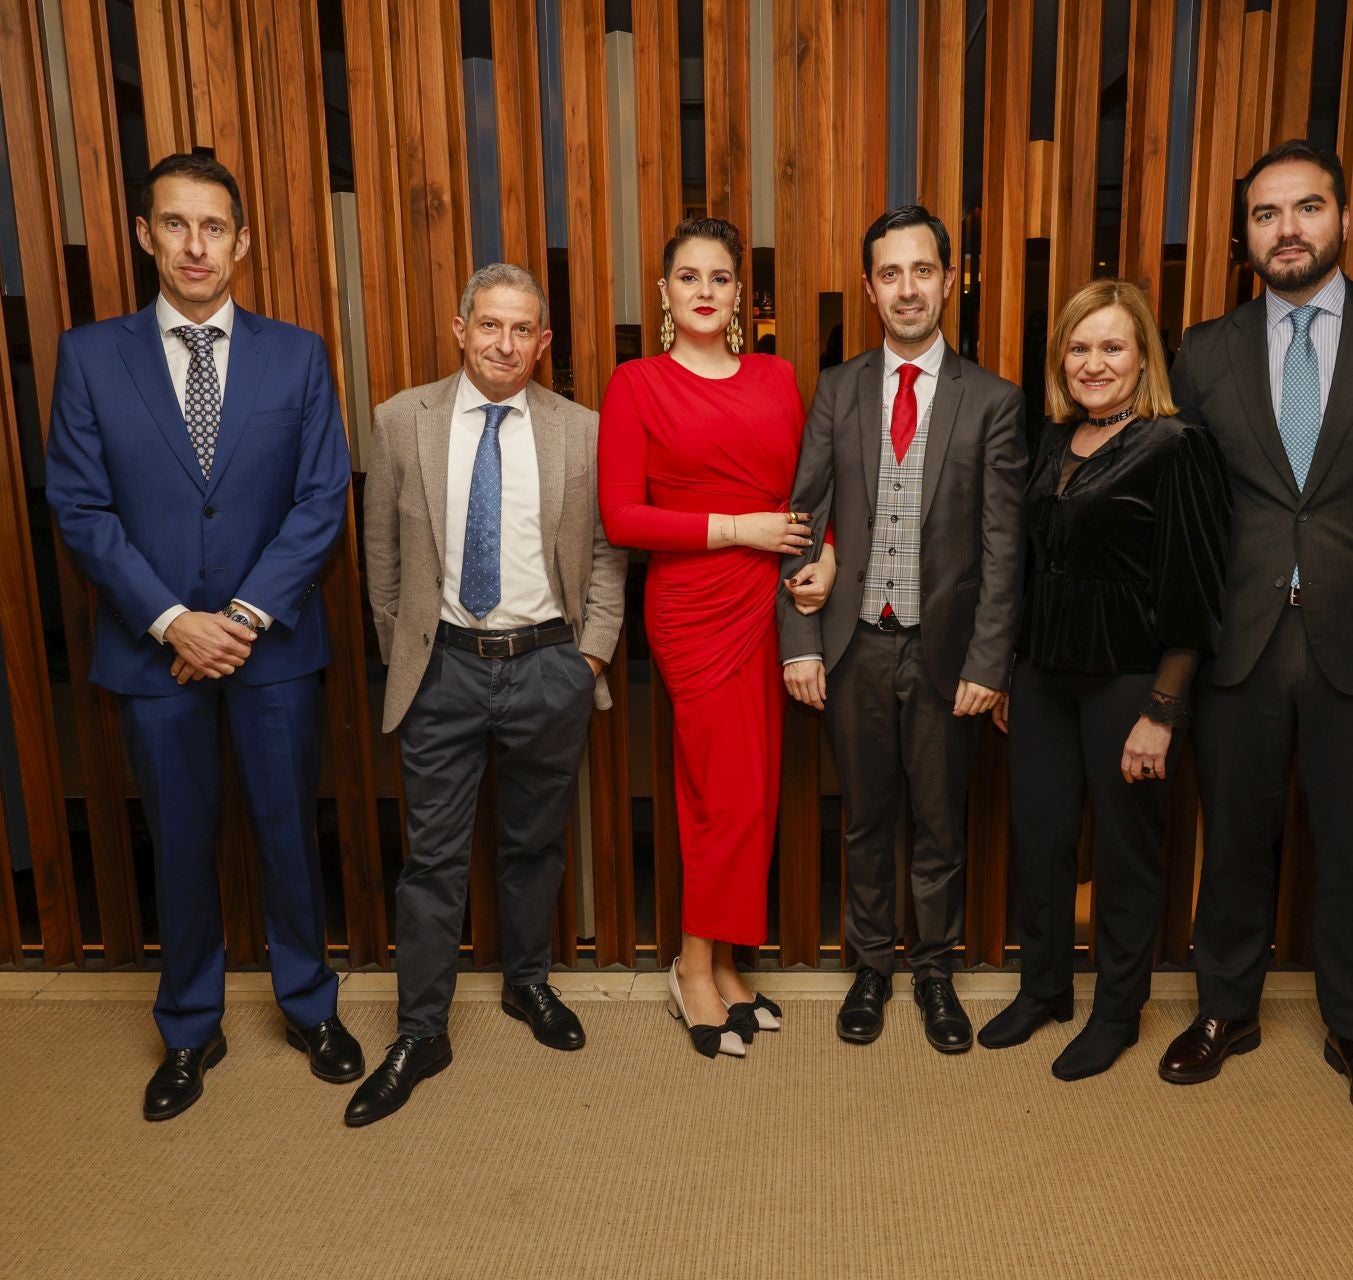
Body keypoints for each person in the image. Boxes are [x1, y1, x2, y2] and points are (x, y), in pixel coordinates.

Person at [1159, 140, 1353, 1129]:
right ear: (1242, 234)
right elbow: (1192, 500)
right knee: (1237, 834)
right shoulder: (1205, 351)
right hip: (1241, 639)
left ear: (1341, 217)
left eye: (1305, 208)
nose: (1286, 228)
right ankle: (1225, 1009)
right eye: (1265, 214)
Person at [45, 153, 361, 1121]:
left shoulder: (297, 353)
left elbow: (321, 497)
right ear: (145, 235)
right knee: (179, 841)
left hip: (272, 645)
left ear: (242, 241)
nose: (195, 244)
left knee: (285, 833)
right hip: (153, 649)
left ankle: (309, 1004)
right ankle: (189, 1025)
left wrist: (242, 617)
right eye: (175, 224)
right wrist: (175, 618)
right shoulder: (91, 356)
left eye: (214, 226)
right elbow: (80, 503)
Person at [346, 265, 626, 1126]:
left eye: (524, 331)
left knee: (534, 845)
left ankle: (527, 986)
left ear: (544, 343)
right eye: (490, 326)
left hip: (549, 666)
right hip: (444, 670)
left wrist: (588, 659)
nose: (505, 345)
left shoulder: (583, 431)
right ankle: (421, 1030)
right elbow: (381, 558)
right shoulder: (402, 422)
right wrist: (413, 656)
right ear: (460, 326)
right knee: (431, 859)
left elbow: (609, 554)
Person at [780, 205, 1028, 1054]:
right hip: (853, 645)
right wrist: (800, 641)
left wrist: (990, 660)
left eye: (923, 270)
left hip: (945, 652)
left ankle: (932, 971)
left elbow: (1004, 548)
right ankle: (871, 967)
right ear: (869, 288)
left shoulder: (994, 401)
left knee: (940, 823)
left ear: (950, 281)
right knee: (863, 819)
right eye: (891, 274)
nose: (908, 288)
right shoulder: (840, 388)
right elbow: (802, 518)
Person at [978, 280, 1228, 1080]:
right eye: (1080, 347)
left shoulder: (1174, 445)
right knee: (1042, 840)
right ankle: (1045, 989)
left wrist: (1163, 709)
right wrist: (1014, 667)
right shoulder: (1055, 440)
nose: (1094, 363)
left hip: (1129, 684)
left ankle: (1117, 1011)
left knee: (1125, 852)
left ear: (1143, 355)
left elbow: (1195, 590)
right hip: (1044, 679)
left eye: (1113, 346)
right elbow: (1035, 568)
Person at [599, 217, 819, 1059]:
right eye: (687, 276)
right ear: (664, 293)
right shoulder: (637, 384)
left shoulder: (775, 376)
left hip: (770, 602)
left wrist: (821, 558)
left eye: (720, 278)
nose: (703, 290)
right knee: (717, 792)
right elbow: (623, 517)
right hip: (693, 607)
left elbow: (806, 490)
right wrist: (737, 529)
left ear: (739, 295)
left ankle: (727, 966)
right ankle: (691, 968)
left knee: (754, 791)